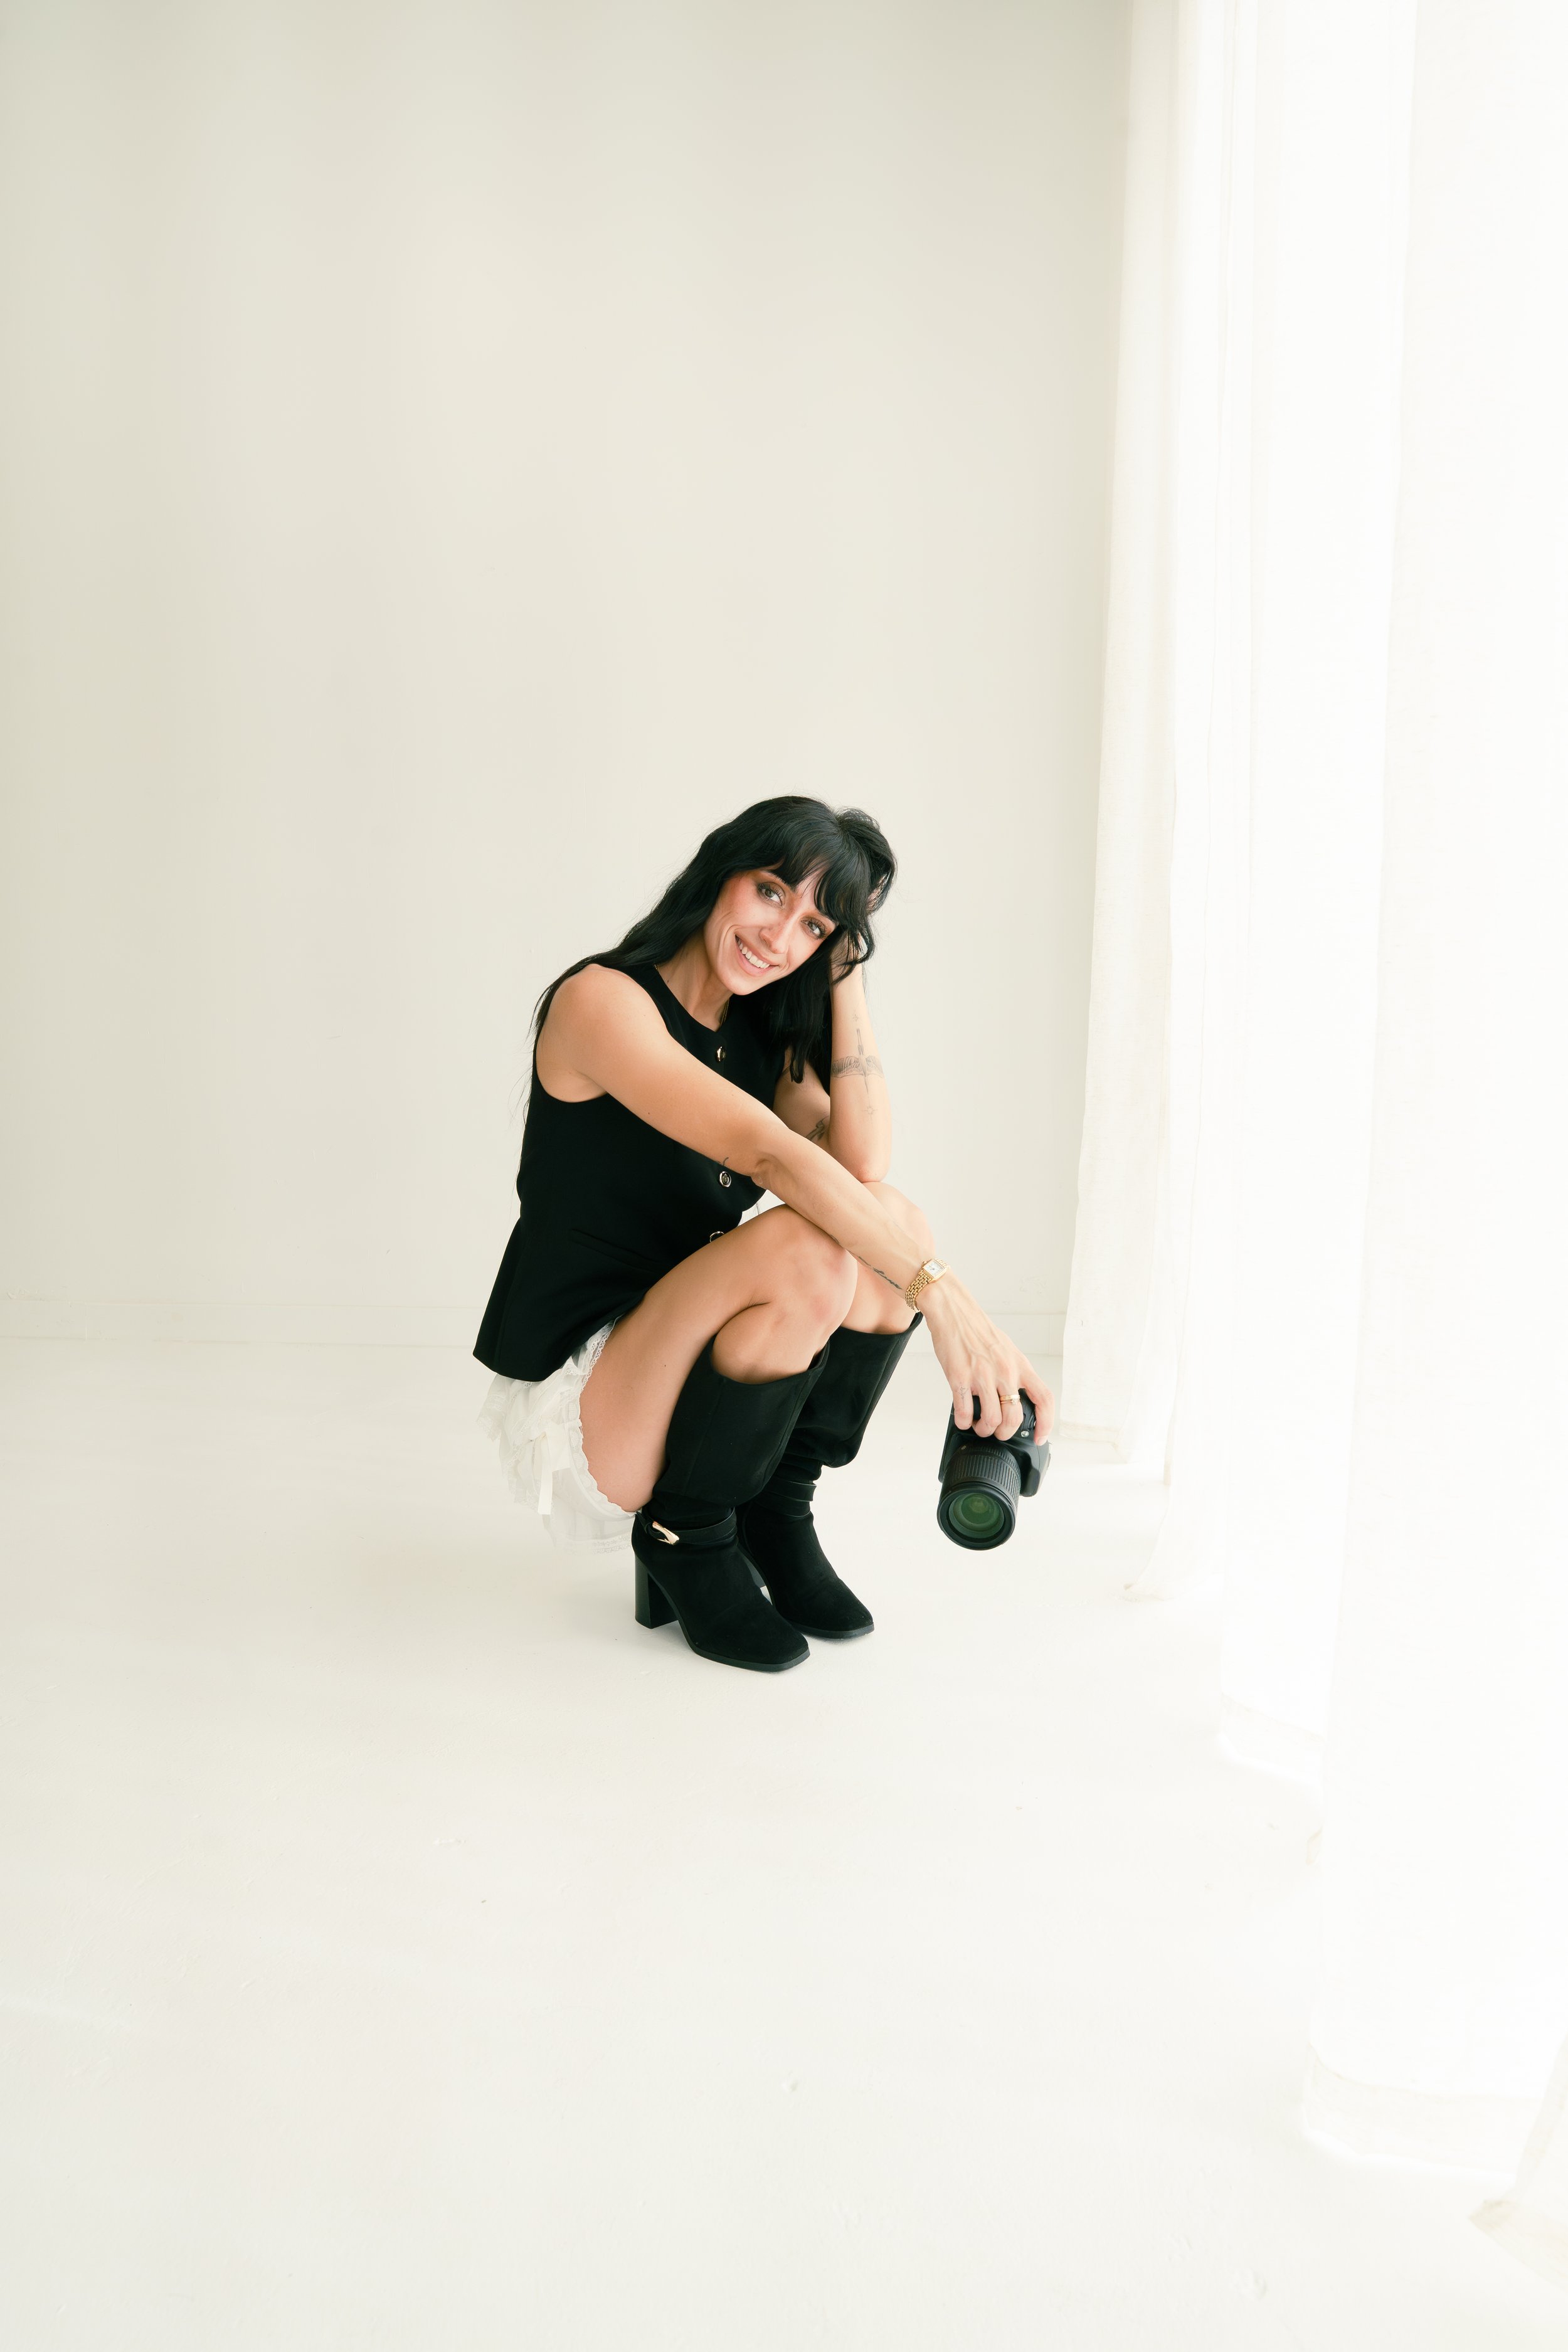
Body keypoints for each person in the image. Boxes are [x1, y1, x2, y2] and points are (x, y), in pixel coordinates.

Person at [475, 797, 1054, 1674]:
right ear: (722, 873)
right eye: (771, 892)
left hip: (680, 1363)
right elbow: (770, 1154)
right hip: (588, 1388)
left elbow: (861, 1163)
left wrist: (845, 971)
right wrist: (950, 1305)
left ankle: (775, 1509)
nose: (780, 938)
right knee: (808, 1249)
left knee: (890, 1220)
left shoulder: (755, 1032)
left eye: (813, 925)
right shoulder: (602, 1002)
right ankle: (684, 1536)